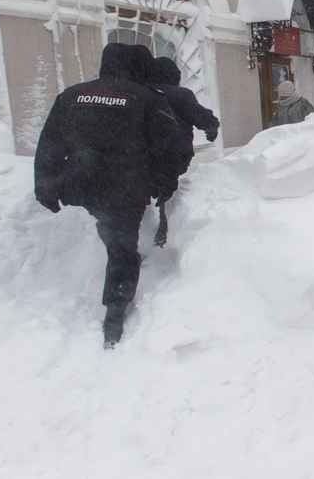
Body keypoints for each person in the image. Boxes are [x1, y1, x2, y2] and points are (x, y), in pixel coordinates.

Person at [34, 43, 179, 348]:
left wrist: (46, 184)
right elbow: (168, 150)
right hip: (124, 189)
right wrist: (164, 184)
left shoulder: (72, 96)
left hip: (81, 185)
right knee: (122, 248)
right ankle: (115, 312)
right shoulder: (148, 100)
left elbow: (49, 143)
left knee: (113, 238)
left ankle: (107, 304)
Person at [146, 57, 220, 246]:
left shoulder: (140, 91)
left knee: (145, 190)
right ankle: (163, 230)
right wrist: (211, 128)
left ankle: (142, 232)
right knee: (168, 191)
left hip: (144, 154)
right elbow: (202, 117)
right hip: (175, 153)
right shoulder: (180, 94)